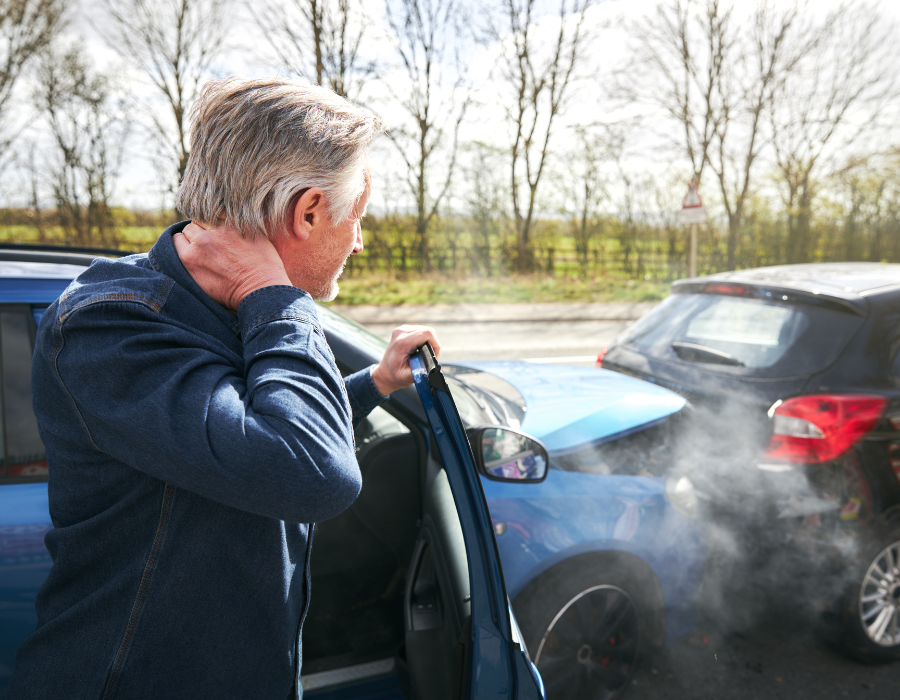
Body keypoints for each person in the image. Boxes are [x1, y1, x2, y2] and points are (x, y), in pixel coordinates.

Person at [8, 77, 440, 700]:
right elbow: (311, 471)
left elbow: (248, 433)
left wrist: (371, 383)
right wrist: (276, 298)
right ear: (308, 211)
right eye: (357, 217)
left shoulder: (227, 307)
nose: (359, 240)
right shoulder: (111, 325)